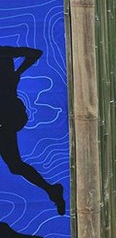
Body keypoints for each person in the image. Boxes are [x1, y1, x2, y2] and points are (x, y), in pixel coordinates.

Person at [0, 46, 65, 215]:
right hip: (9, 115)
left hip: (7, 115)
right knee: (15, 165)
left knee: (14, 164)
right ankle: (51, 190)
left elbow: (36, 53)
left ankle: (51, 190)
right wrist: (17, 73)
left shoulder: (4, 52)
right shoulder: (5, 54)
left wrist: (18, 72)